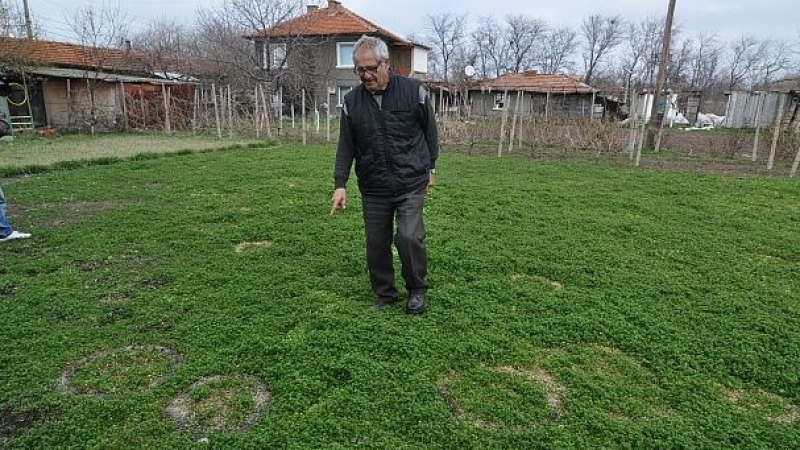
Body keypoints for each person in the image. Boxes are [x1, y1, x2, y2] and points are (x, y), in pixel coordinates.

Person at [331, 35, 439, 315]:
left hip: (410, 180)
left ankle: (416, 290)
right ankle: (385, 293)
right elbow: (346, 145)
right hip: (374, 184)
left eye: (371, 68)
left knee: (408, 237)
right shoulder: (352, 102)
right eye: (359, 70)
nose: (365, 75)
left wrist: (431, 168)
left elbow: (430, 132)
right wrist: (340, 184)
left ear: (386, 63)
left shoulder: (413, 91)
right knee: (376, 243)